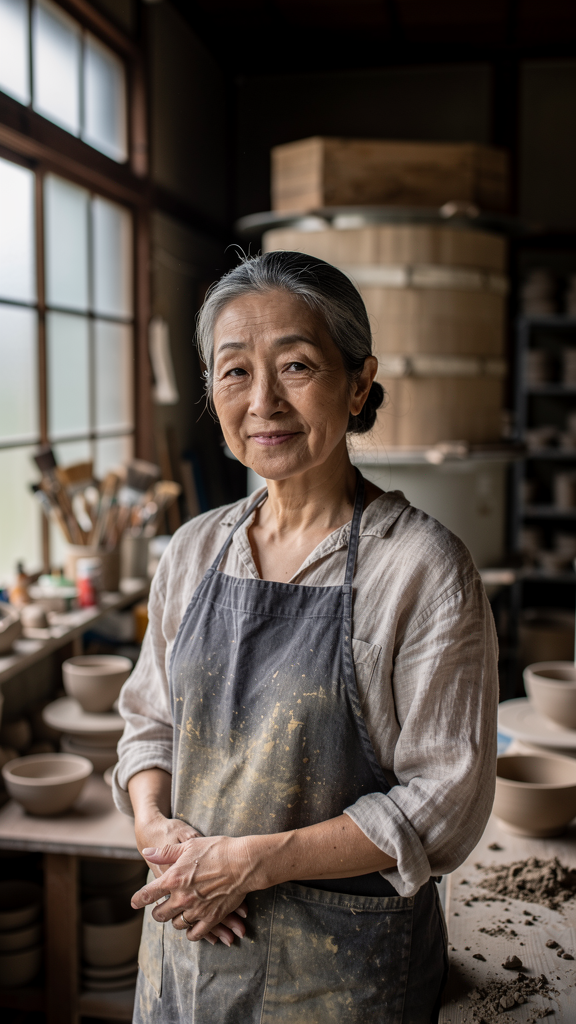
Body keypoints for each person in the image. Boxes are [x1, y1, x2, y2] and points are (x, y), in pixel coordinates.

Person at [114, 250, 498, 1024]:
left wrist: (251, 863)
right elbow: (148, 727)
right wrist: (162, 835)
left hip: (343, 979)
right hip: (189, 961)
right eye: (233, 372)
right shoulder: (192, 551)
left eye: (295, 366)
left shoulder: (419, 568)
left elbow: (444, 801)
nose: (263, 402)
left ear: (358, 383)